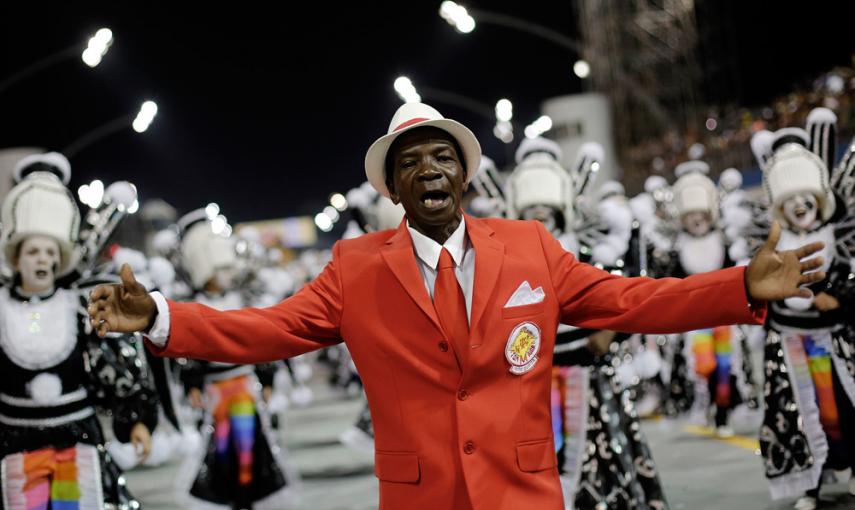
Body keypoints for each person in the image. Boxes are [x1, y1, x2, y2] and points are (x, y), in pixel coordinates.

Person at [90, 102, 826, 510]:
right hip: (419, 499)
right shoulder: (354, 267)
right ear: (394, 190)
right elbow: (270, 330)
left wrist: (737, 286)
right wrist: (160, 316)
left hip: (524, 492)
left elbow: (629, 301)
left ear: (465, 175)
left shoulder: (532, 246)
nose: (428, 170)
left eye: (441, 157)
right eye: (410, 163)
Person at [0, 154, 157, 509]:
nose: (41, 259)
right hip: (14, 445)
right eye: (33, 251)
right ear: (16, 257)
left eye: (49, 251)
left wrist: (135, 421)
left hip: (76, 440)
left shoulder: (81, 308)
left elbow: (115, 369)